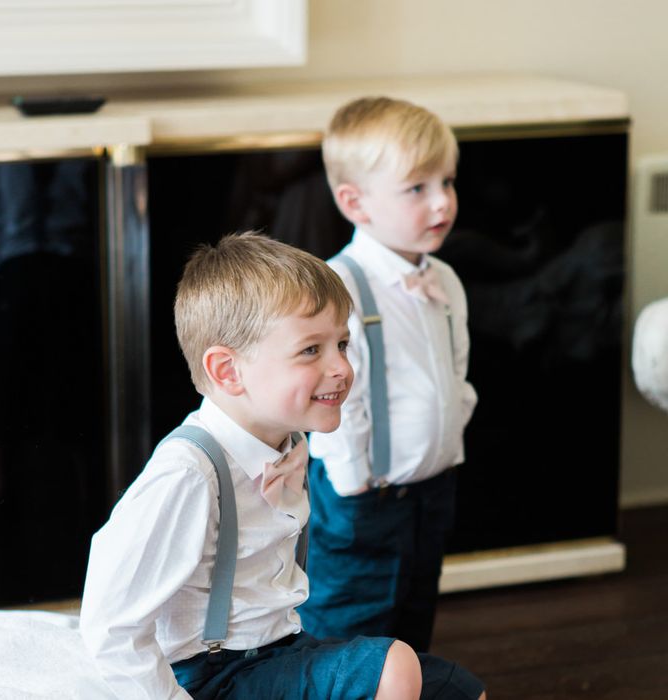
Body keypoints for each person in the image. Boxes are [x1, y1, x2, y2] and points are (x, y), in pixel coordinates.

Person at [79, 232, 485, 699]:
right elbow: (111, 625)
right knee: (393, 665)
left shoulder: (287, 442)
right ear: (228, 371)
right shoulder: (189, 474)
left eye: (343, 344)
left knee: (458, 690)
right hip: (212, 678)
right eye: (311, 350)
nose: (342, 368)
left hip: (277, 651)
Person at [298, 97, 478, 653]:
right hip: (366, 498)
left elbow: (456, 364)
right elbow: (336, 395)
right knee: (350, 625)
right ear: (356, 203)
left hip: (431, 487)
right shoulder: (341, 286)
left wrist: (448, 438)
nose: (442, 201)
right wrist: (354, 479)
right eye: (417, 189)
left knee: (413, 617)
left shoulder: (444, 278)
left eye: (446, 182)